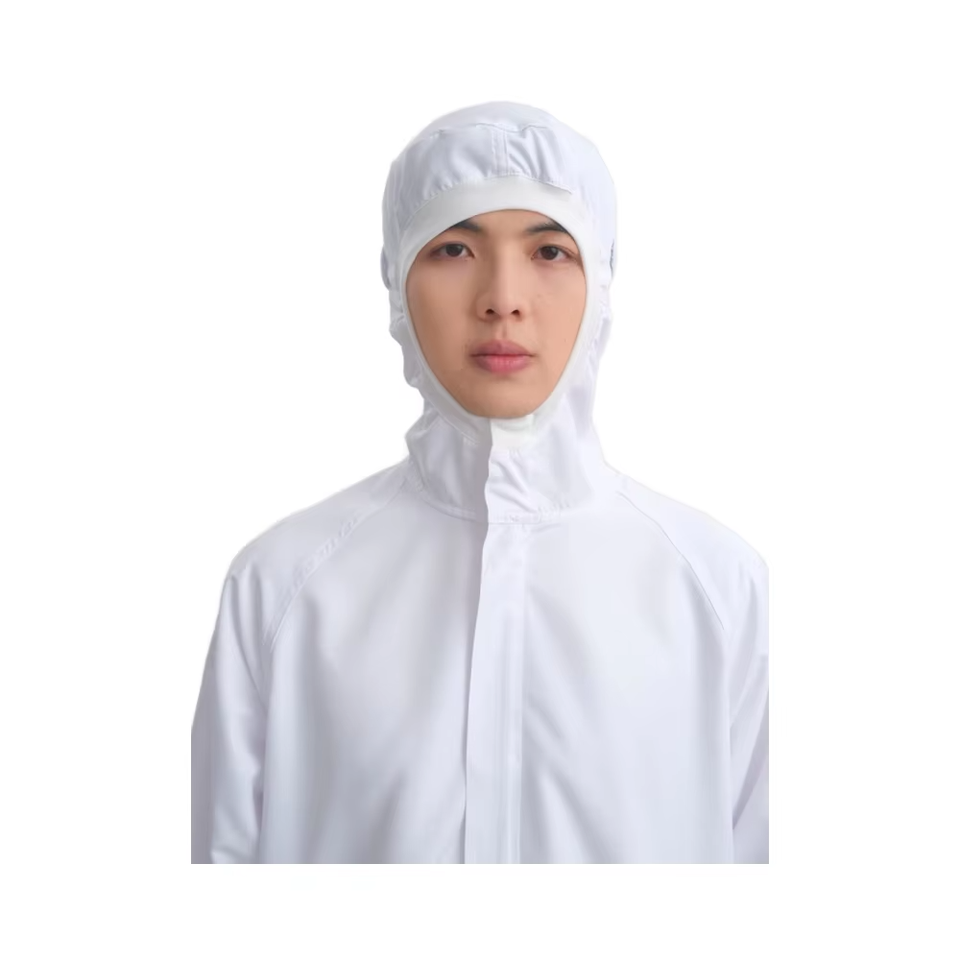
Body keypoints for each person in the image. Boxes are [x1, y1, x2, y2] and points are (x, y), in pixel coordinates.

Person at [190, 100, 769, 863]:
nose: (503, 298)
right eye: (455, 249)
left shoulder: (719, 589)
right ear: (398, 282)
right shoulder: (282, 589)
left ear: (601, 283)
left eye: (550, 250)